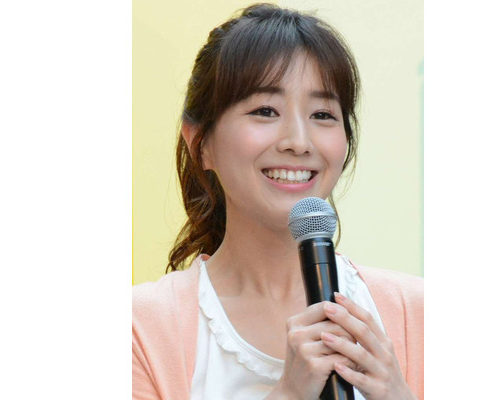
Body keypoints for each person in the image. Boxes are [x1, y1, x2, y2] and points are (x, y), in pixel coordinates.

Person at [132, 3, 423, 399]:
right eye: (266, 111)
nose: (299, 142)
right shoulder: (140, 330)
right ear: (200, 144)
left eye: (323, 114)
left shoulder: (417, 313)